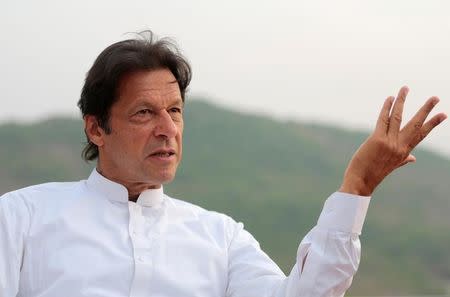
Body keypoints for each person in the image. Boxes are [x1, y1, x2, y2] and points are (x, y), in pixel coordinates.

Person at [0, 32, 446, 297]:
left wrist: (358, 185)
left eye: (174, 111)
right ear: (96, 129)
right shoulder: (22, 218)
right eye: (144, 113)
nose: (166, 128)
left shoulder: (221, 238)